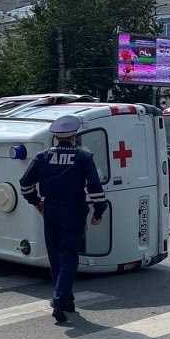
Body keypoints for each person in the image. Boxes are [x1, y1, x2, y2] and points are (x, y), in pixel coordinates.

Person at [19, 115, 108, 323]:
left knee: (56, 256)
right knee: (69, 256)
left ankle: (66, 301)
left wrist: (36, 201)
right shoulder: (84, 157)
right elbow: (95, 188)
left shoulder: (42, 157)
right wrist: (98, 211)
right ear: (75, 136)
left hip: (50, 210)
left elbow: (24, 184)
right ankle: (59, 300)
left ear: (56, 137)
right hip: (74, 210)